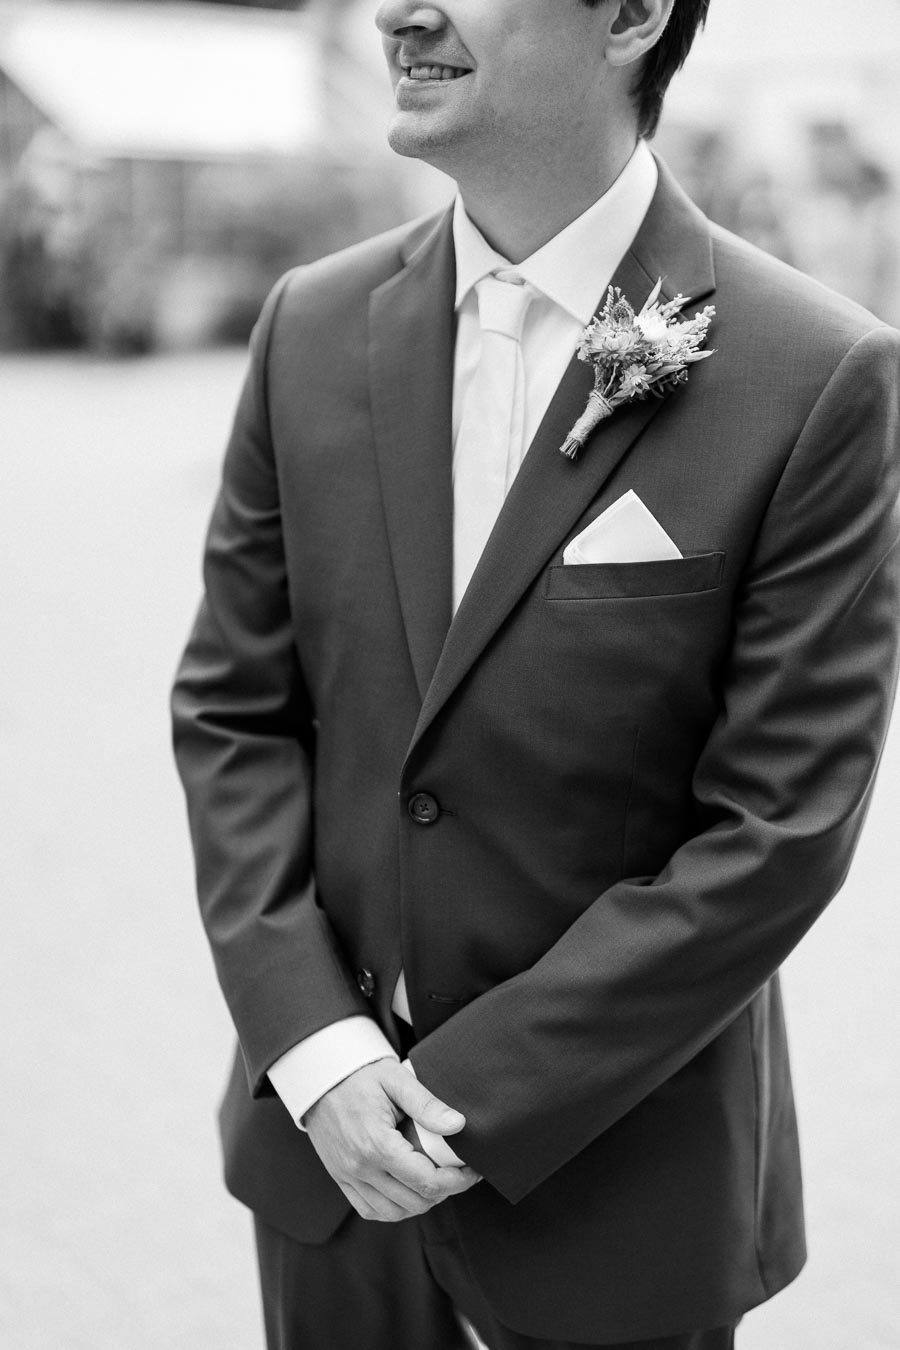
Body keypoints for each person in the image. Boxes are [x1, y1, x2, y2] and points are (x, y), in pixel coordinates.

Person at [171, 2, 900, 1347]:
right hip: (325, 1173)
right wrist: (321, 1054)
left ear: (630, 15)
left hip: (621, 1184)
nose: (402, 10)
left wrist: (463, 1096)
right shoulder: (308, 329)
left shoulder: (818, 374)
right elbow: (232, 712)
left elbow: (778, 826)